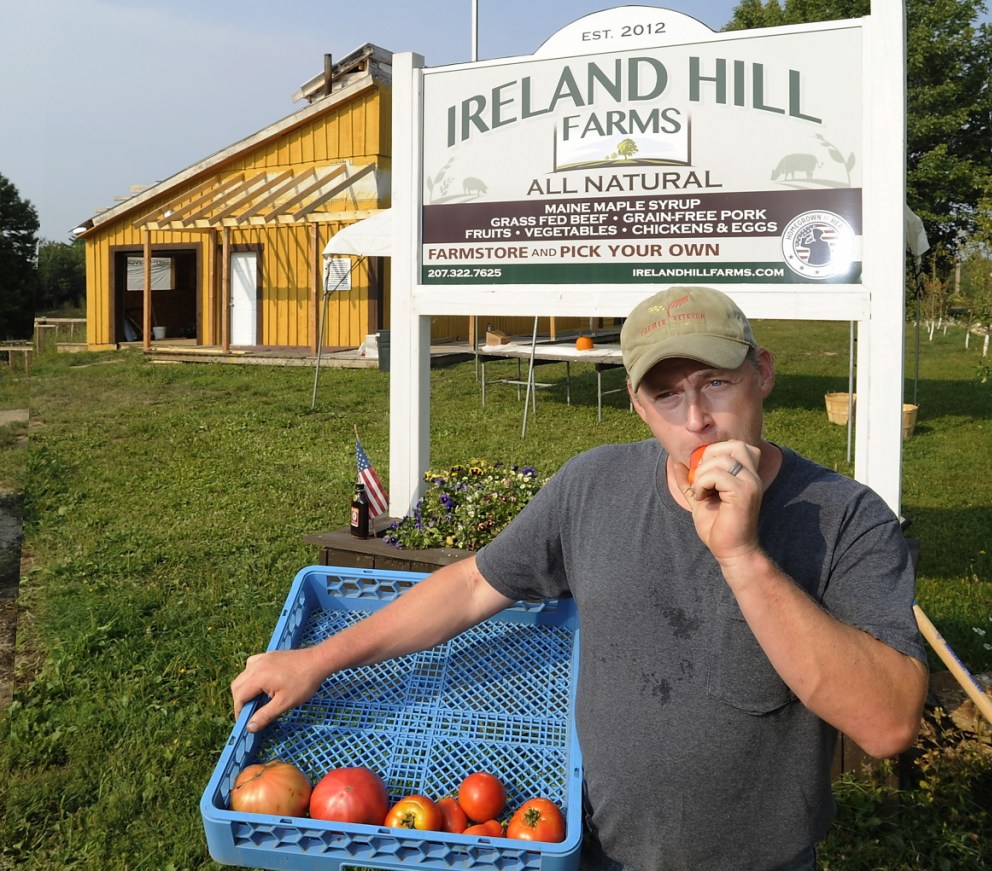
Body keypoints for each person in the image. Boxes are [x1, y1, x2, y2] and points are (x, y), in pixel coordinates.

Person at [231, 286, 929, 871]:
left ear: (763, 373)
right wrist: (317, 659)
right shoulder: (594, 486)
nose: (698, 418)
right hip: (594, 847)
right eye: (667, 394)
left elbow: (889, 721)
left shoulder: (844, 518)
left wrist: (743, 556)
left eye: (716, 380)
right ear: (636, 403)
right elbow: (474, 583)